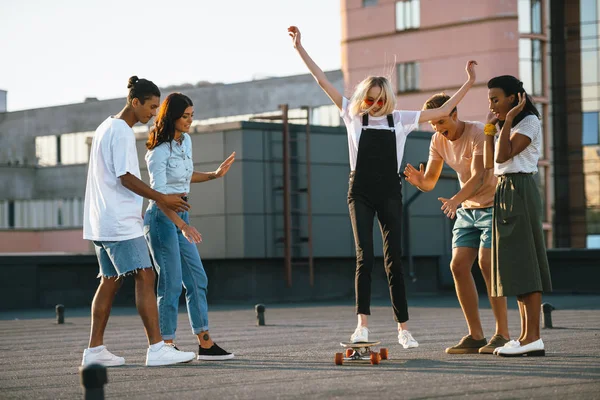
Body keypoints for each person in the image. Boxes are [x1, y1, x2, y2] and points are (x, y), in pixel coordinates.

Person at [288, 25, 477, 347]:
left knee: (395, 260)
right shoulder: (351, 114)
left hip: (390, 190)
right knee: (366, 256)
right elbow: (322, 80)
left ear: (387, 99)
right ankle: (361, 325)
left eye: (379, 100)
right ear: (363, 98)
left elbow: (443, 110)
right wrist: (299, 48)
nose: (374, 105)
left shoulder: (400, 119)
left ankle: (404, 328)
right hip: (359, 190)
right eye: (369, 100)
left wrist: (470, 82)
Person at [82, 76, 196, 367]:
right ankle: (157, 348)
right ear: (135, 102)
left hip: (100, 221)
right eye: (151, 107)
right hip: (119, 222)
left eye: (158, 108)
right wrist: (163, 198)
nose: (154, 114)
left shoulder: (104, 126)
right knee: (146, 275)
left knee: (110, 280)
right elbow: (126, 177)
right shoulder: (120, 131)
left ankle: (94, 351)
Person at [404, 93, 510, 354]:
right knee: (458, 265)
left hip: (493, 207)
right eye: (434, 125)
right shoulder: (437, 140)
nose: (439, 129)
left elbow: (477, 176)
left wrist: (454, 200)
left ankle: (502, 334)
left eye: (442, 122)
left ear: (454, 114)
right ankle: (476, 336)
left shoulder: (475, 133)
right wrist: (421, 181)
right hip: (468, 210)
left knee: (487, 264)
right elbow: (430, 181)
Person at [144, 92, 236, 360]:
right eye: (185, 117)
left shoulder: (186, 142)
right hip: (161, 219)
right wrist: (182, 227)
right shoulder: (157, 153)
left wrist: (214, 175)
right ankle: (165, 347)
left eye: (192, 116)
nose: (190, 121)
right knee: (170, 283)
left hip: (181, 217)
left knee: (197, 279)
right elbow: (159, 196)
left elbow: (185, 176)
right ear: (171, 117)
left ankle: (205, 344)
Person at [483, 75, 552, 357]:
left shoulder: (529, 123)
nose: (492, 105)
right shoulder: (503, 126)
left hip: (520, 188)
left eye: (496, 99)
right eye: (489, 100)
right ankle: (525, 338)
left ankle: (533, 337)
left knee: (526, 263)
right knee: (515, 265)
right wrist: (492, 127)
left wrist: (507, 120)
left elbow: (503, 157)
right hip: (505, 190)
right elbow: (490, 162)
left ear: (513, 98)